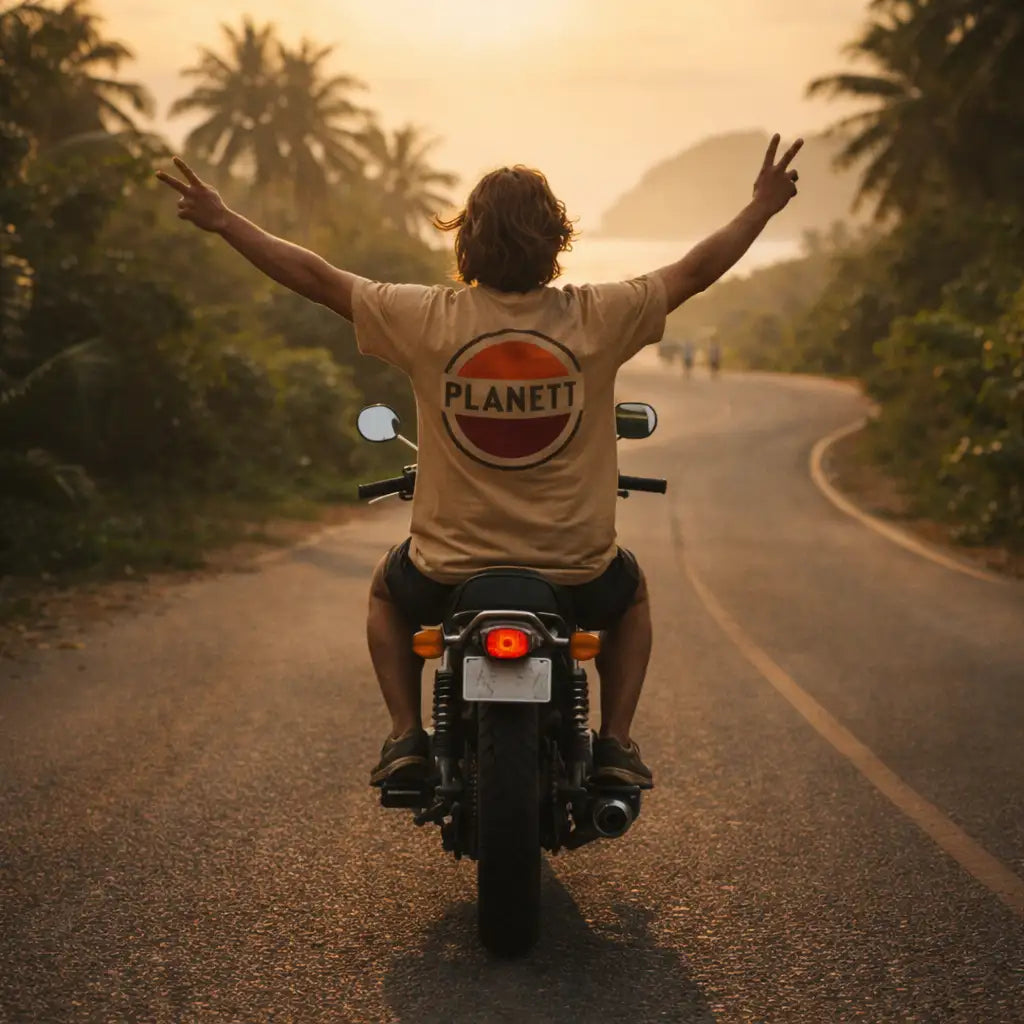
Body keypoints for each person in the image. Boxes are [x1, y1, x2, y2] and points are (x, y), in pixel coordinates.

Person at [156, 133, 802, 789]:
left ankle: (406, 736)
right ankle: (615, 744)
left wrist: (224, 220)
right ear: (555, 242)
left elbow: (317, 278)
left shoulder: (425, 317)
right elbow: (695, 271)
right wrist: (761, 208)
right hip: (575, 565)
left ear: (467, 241)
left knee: (386, 592)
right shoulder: (601, 315)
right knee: (630, 595)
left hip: (448, 567)